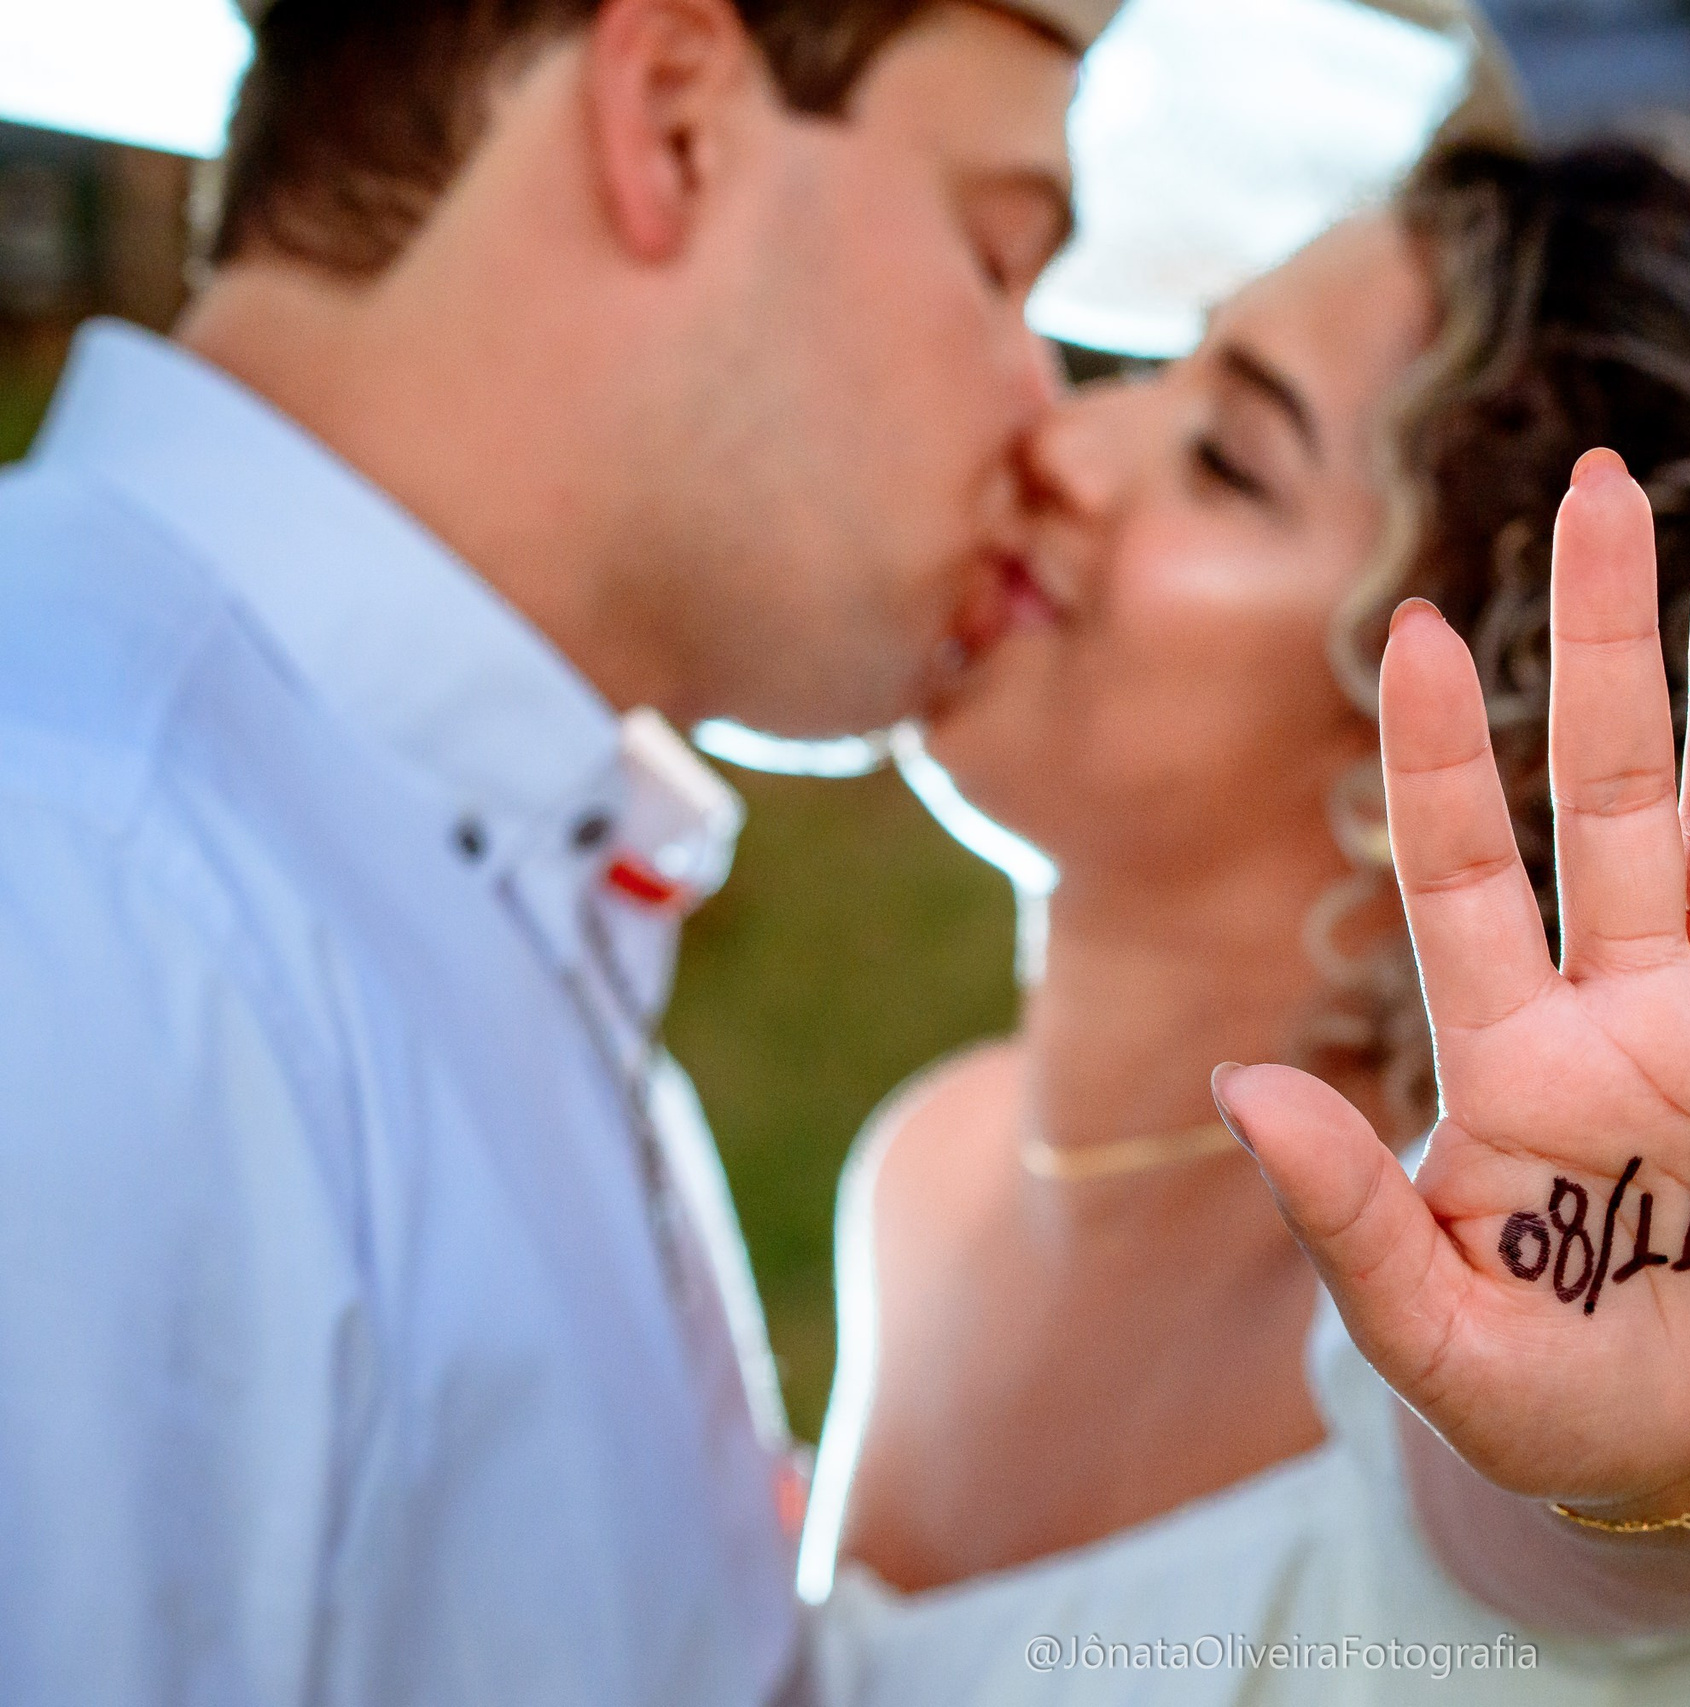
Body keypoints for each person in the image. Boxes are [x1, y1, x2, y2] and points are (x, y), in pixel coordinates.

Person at [801, 138, 1690, 1702]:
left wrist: (1675, 1485)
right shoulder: (926, 1174)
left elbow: (1603, 1535)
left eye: (1228, 461)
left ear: (1488, 737)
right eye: (1155, 369)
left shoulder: (1512, 1265)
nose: (1065, 443)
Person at [0, 1, 1117, 1700]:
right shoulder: (77, 886)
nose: (1048, 416)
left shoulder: (367, 869)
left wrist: (1508, 1540)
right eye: (998, 255)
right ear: (673, 120)